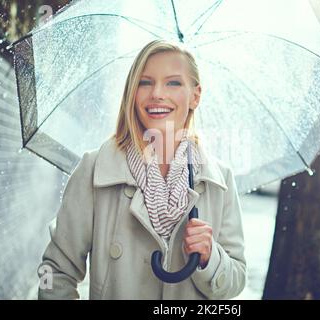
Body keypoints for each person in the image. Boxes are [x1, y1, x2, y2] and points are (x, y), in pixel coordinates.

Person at [38, 39, 246, 300]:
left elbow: (235, 279)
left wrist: (209, 256)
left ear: (195, 95)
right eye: (145, 82)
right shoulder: (95, 169)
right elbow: (56, 272)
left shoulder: (219, 180)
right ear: (132, 92)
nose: (157, 93)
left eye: (173, 82)